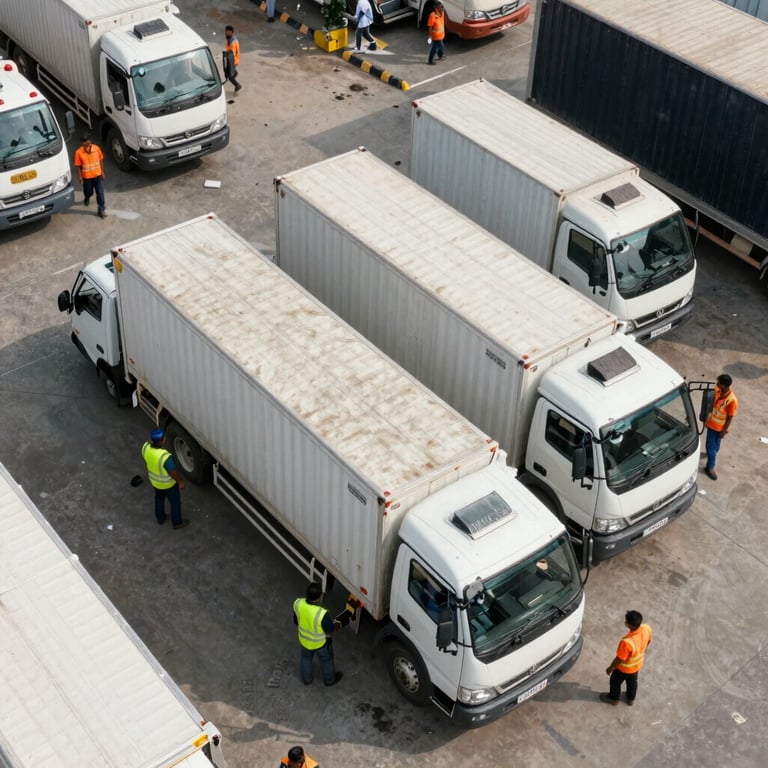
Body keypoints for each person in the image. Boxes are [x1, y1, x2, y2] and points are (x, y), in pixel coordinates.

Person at [293, 582, 352, 686]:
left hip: (304, 641)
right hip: (319, 644)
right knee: (326, 660)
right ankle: (329, 681)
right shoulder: (321, 613)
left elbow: (296, 621)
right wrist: (342, 622)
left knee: (305, 659)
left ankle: (307, 680)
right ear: (318, 598)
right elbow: (330, 629)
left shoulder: (298, 603)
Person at [600, 610, 652, 706]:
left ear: (630, 625)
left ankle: (613, 698)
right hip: (637, 665)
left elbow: (620, 658)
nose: (625, 622)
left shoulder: (627, 642)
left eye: (626, 622)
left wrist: (611, 668)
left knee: (615, 681)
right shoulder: (646, 629)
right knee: (632, 682)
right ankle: (630, 698)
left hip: (624, 669)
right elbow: (648, 641)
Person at [141, 428, 190, 530]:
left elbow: (147, 460)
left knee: (159, 499)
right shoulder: (165, 457)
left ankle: (160, 518)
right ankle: (177, 523)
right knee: (175, 502)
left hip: (155, 482)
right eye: (164, 438)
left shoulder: (145, 448)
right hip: (168, 485)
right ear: (161, 441)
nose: (165, 439)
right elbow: (172, 472)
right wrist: (180, 482)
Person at [704, 373, 738, 481]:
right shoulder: (717, 391)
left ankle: (710, 468)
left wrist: (724, 431)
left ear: (724, 385)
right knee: (715, 447)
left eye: (719, 382)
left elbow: (729, 418)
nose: (717, 383)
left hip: (718, 428)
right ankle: (711, 457)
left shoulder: (732, 400)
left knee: (711, 448)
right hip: (711, 424)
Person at [73, 133, 107, 219]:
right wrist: (80, 177)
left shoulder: (96, 149)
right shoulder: (78, 152)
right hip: (87, 177)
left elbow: (100, 161)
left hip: (98, 176)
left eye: (86, 141)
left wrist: (102, 172)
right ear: (82, 143)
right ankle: (87, 197)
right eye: (83, 141)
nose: (85, 143)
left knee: (100, 193)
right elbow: (78, 166)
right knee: (88, 192)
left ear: (90, 140)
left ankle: (101, 210)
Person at [223, 25, 242, 93]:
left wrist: (230, 65)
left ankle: (237, 85)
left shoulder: (232, 43)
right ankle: (234, 72)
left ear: (231, 32)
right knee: (228, 74)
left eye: (227, 32)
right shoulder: (231, 39)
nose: (225, 33)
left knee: (229, 76)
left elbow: (232, 55)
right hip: (233, 60)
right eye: (225, 31)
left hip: (233, 61)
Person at [426, 1, 446, 65]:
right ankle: (431, 60)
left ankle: (438, 57)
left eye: (442, 7)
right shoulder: (432, 15)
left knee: (436, 47)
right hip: (436, 37)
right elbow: (430, 27)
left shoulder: (442, 13)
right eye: (441, 7)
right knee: (440, 47)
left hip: (441, 35)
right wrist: (429, 36)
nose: (442, 8)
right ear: (436, 8)